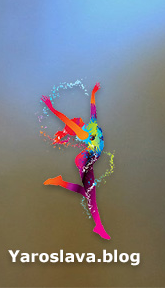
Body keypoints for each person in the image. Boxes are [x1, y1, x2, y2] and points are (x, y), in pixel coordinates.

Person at [42, 82, 110, 240]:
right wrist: (51, 108)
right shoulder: (83, 133)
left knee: (88, 195)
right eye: (75, 121)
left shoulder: (92, 124)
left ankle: (60, 182)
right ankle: (99, 226)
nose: (77, 119)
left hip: (88, 159)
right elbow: (65, 118)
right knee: (90, 195)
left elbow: (93, 109)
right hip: (85, 160)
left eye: (77, 119)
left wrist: (93, 93)